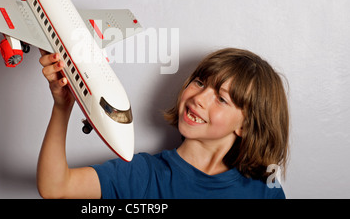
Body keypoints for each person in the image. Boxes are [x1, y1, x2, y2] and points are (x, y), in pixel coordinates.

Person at [36, 48, 289, 199]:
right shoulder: (144, 174)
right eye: (200, 83)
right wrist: (62, 105)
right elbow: (55, 187)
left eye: (221, 99)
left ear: (244, 126)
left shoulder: (265, 189)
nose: (199, 98)